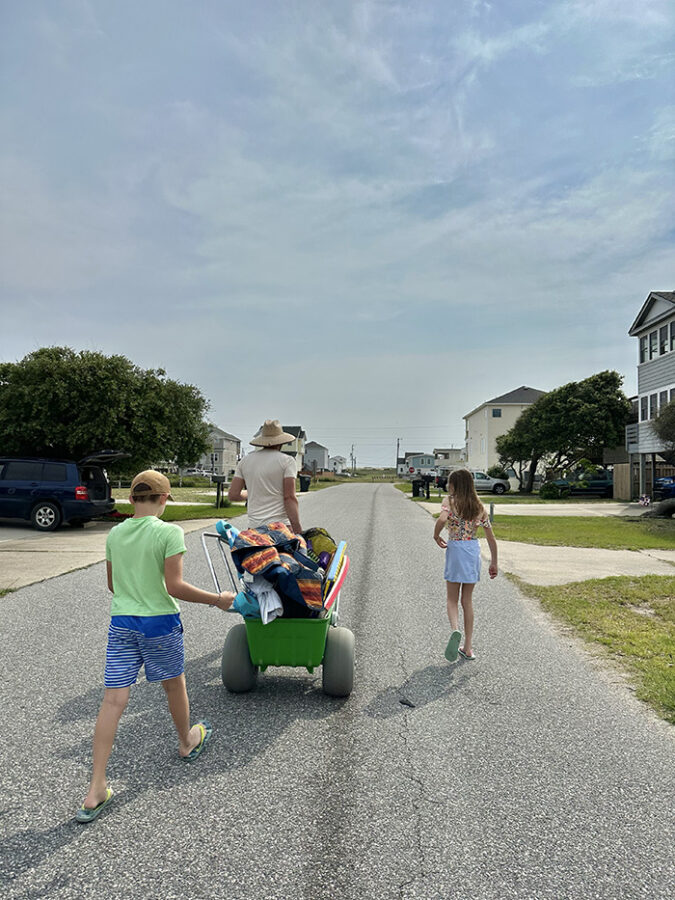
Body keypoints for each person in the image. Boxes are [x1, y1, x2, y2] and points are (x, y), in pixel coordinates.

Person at [76, 470, 235, 824]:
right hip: (159, 623)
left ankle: (96, 788)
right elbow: (174, 586)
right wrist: (218, 600)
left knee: (113, 699)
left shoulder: (116, 534)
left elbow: (113, 585)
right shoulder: (169, 532)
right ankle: (186, 741)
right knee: (173, 683)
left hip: (122, 622)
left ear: (131, 499)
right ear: (163, 499)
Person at [433, 468, 498, 662]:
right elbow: (491, 537)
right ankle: (468, 647)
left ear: (454, 484)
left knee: (452, 599)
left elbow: (442, 519)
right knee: (467, 601)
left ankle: (455, 630)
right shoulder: (479, 507)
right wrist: (494, 562)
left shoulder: (450, 502)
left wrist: (436, 535)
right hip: (472, 550)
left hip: (456, 549)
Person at [228, 419, 302, 534]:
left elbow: (233, 495)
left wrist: (251, 493)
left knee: (259, 553)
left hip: (254, 529)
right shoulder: (287, 461)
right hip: (280, 528)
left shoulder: (245, 461)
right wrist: (297, 529)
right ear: (281, 442)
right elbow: (289, 497)